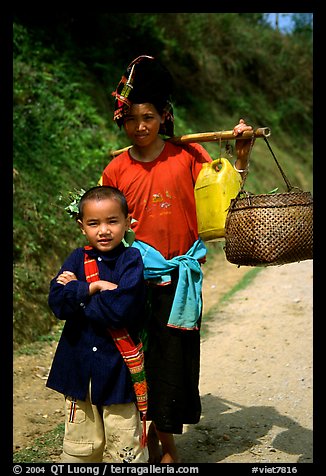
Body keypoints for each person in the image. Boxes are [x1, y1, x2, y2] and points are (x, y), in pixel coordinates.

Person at [101, 55, 253, 463]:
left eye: (148, 116)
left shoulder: (189, 157)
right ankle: (144, 442)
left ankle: (166, 446)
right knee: (137, 363)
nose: (140, 127)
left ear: (164, 115)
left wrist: (240, 154)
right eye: (131, 119)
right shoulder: (115, 170)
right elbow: (103, 227)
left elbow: (226, 194)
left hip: (179, 281)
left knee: (172, 365)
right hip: (132, 282)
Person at [46, 185, 149, 464]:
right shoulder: (76, 258)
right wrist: (94, 288)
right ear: (82, 226)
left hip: (117, 371)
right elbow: (57, 304)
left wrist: (77, 291)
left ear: (128, 222)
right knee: (81, 446)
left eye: (112, 221)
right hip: (78, 369)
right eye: (94, 223)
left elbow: (120, 311)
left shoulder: (131, 260)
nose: (104, 230)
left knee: (124, 446)